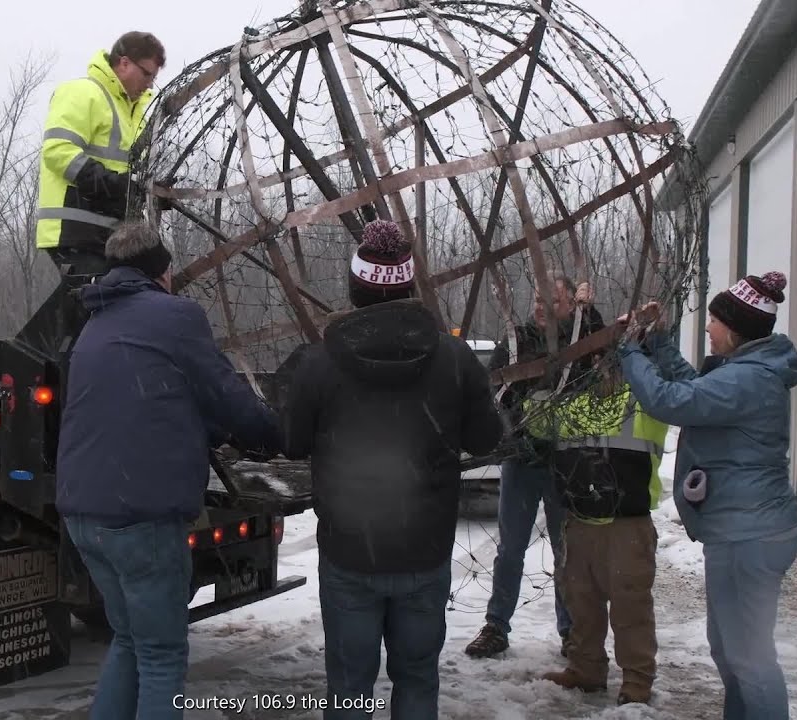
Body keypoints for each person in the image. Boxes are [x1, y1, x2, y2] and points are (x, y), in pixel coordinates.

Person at [56, 221, 283, 719]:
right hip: (139, 514)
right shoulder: (175, 316)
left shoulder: (96, 322)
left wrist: (203, 430)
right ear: (162, 271)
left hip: (83, 511)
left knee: (132, 641)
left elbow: (145, 403)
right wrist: (275, 435)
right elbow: (228, 397)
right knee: (161, 655)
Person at [282, 219, 503, 719]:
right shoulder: (454, 357)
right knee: (418, 679)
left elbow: (292, 444)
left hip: (349, 554)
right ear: (408, 286)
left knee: (349, 688)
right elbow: (486, 439)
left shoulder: (318, 363)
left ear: (355, 288)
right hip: (424, 553)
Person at [616, 271, 797, 720]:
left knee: (750, 658)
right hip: (741, 531)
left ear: (734, 328)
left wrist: (629, 350)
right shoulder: (744, 372)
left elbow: (670, 400)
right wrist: (657, 342)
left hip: (750, 535)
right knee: (731, 651)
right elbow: (693, 387)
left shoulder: (748, 381)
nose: (707, 328)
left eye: (714, 321)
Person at [464, 276, 603, 659]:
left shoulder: (579, 334)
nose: (541, 306)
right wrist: (517, 425)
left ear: (570, 306)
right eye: (538, 298)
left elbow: (602, 349)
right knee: (511, 548)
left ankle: (570, 630)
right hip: (522, 461)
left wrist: (589, 311)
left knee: (566, 549)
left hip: (566, 461)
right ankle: (496, 625)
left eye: (552, 300)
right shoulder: (516, 340)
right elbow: (494, 389)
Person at [529, 356, 669, 706]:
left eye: (612, 366)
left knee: (630, 607)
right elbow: (533, 419)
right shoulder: (571, 404)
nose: (603, 373)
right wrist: (536, 371)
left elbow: (670, 395)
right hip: (580, 522)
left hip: (627, 525)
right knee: (582, 603)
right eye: (596, 365)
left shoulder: (645, 402)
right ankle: (586, 668)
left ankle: (636, 682)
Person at [36, 31, 165, 281]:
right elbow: (58, 151)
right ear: (124, 63)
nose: (150, 84)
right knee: (103, 305)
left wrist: (145, 191)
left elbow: (128, 174)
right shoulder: (83, 93)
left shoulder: (133, 113)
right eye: (147, 73)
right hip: (77, 230)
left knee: (144, 288)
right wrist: (115, 185)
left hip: (114, 234)